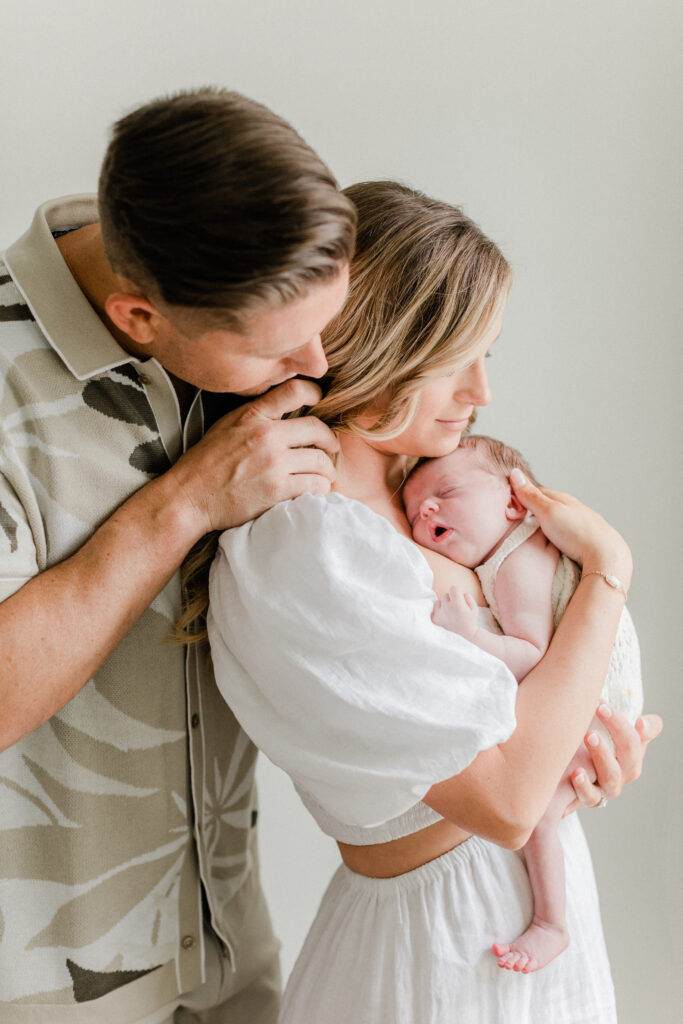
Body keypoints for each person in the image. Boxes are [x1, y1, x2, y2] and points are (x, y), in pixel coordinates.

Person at [206, 180, 661, 1023]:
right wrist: (609, 573)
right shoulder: (310, 543)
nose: (482, 391)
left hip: (523, 901)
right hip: (442, 940)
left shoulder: (426, 487)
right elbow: (503, 800)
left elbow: (541, 719)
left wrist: (595, 744)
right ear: (381, 341)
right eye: (458, 357)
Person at [0, 87, 355, 1022]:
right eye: (277, 348)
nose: (315, 364)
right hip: (46, 981)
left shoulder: (245, 290)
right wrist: (190, 500)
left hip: (232, 942)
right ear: (138, 318)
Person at [402, 434, 643, 973]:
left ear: (514, 502)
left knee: (537, 818)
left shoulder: (519, 557)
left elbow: (535, 659)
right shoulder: (508, 556)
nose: (427, 509)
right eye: (415, 508)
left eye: (446, 491)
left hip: (590, 715)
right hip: (592, 716)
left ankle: (552, 923)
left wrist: (470, 635)